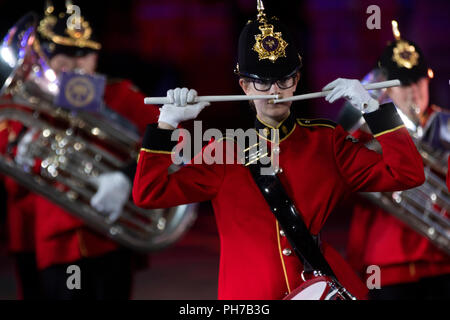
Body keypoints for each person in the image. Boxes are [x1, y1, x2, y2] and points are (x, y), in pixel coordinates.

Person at [132, 3, 425, 300]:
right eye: (262, 81)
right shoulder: (224, 151)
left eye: (284, 79)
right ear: (245, 86)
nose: (275, 91)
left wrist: (373, 109)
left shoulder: (326, 142)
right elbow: (149, 193)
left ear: (296, 82)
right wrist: (166, 123)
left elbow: (407, 173)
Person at [0, 2, 159, 299]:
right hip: (53, 241)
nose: (76, 64)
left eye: (84, 53)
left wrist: (127, 176)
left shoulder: (121, 94)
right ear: (45, 55)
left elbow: (169, 143)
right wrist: (22, 148)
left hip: (111, 237)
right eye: (64, 53)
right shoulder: (24, 104)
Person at [345, 21, 450, 299]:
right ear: (385, 89)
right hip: (387, 265)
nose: (413, 90)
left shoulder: (445, 126)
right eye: (402, 83)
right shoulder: (365, 133)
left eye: (418, 80)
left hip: (443, 263)